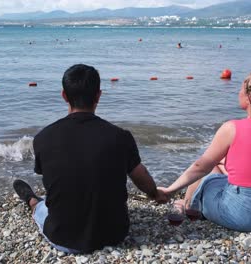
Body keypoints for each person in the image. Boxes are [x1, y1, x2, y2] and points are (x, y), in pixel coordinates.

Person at [13, 64, 167, 254]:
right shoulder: (120, 137)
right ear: (98, 96)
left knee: (42, 207)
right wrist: (154, 194)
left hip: (62, 237)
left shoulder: (43, 138)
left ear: (64, 95)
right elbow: (140, 176)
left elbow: (55, 177)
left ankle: (32, 201)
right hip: (115, 234)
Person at [158, 69, 251, 232]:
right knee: (218, 166)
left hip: (242, 215)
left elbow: (200, 167)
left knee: (207, 178)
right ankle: (190, 203)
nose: (238, 93)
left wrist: (169, 190)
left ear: (250, 97)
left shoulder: (232, 128)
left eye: (240, 89)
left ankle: (187, 205)